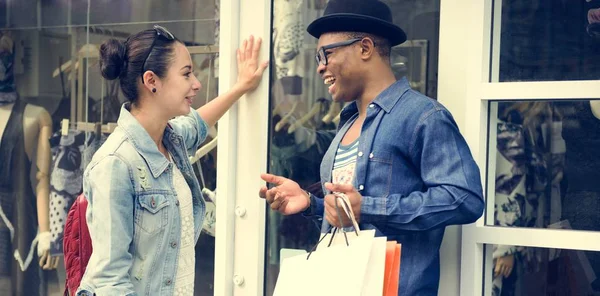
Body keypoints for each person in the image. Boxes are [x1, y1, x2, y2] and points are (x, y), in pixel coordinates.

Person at [258, 0, 484, 295]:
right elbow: (349, 220)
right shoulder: (346, 124)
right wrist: (310, 204)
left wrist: (368, 207)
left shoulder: (422, 117)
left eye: (326, 54)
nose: (320, 67)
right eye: (317, 58)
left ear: (365, 48)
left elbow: (465, 198)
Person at [77, 25, 267, 295]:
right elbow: (110, 281)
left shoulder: (170, 139)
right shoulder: (115, 164)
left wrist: (242, 86)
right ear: (152, 81)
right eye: (187, 73)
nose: (196, 83)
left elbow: (198, 123)